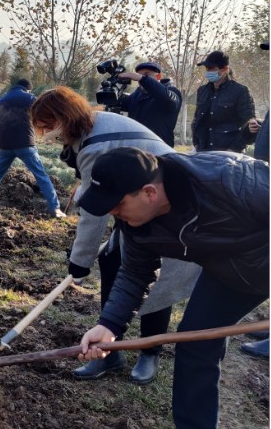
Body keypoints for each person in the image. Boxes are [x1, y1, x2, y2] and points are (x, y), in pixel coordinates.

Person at [76, 147, 268, 429]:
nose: (113, 213)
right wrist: (109, 324)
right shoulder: (136, 223)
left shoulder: (231, 179)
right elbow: (134, 273)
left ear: (149, 193)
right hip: (229, 276)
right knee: (194, 343)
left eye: (117, 205)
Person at [30, 86, 201, 384]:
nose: (45, 133)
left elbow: (94, 215)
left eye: (47, 126)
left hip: (165, 207)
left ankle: (149, 353)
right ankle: (111, 349)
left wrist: (79, 263)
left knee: (156, 282)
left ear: (63, 118)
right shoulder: (90, 128)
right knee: (111, 263)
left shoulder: (95, 144)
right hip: (134, 203)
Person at [0, 78, 65, 218]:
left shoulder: (2, 101)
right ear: (27, 89)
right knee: (40, 175)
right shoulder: (31, 98)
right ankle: (55, 208)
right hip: (26, 144)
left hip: (6, 146)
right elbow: (43, 118)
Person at [192, 50, 256, 152]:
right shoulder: (202, 91)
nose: (208, 72)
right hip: (203, 150)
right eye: (207, 69)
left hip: (229, 153)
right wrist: (196, 143)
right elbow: (197, 120)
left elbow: (249, 125)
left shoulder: (240, 91)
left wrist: (233, 150)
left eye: (212, 69)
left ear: (225, 69)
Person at [117, 62, 182, 147]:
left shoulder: (171, 91)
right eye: (139, 75)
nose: (140, 80)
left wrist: (143, 79)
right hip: (136, 149)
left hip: (160, 149)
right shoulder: (136, 95)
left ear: (158, 76)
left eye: (146, 75)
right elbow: (119, 104)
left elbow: (167, 98)